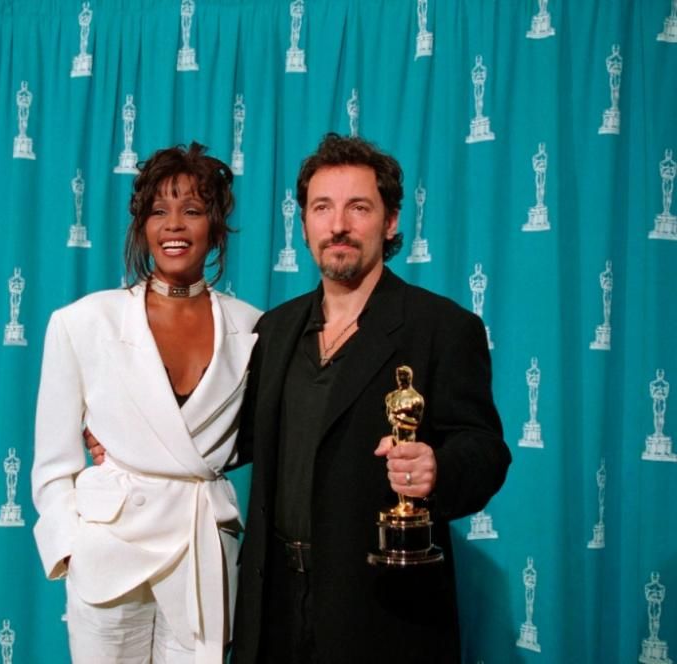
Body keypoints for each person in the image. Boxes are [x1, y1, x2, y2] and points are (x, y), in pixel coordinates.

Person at [229, 134, 511, 663]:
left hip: (382, 616)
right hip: (273, 611)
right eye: (322, 208)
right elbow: (230, 437)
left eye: (358, 207)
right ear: (304, 224)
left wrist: (437, 468)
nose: (338, 225)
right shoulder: (274, 329)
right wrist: (118, 434)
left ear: (391, 221)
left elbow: (485, 450)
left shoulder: (442, 327)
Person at [32, 143, 261, 663]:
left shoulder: (253, 326)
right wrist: (71, 546)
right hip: (110, 554)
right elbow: (52, 461)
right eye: (159, 211)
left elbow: (254, 437)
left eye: (192, 210)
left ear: (216, 228)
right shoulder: (83, 322)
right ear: (142, 227)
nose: (174, 225)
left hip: (202, 552)